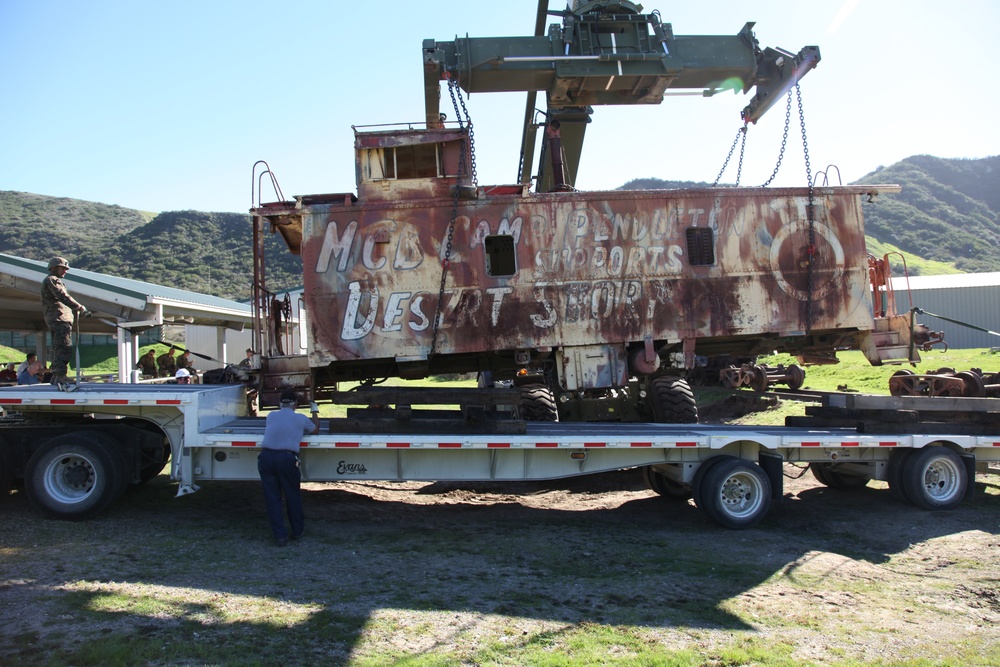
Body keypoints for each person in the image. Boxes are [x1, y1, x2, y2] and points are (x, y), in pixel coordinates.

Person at [257, 390, 319, 546]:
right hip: (286, 459)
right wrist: (315, 410)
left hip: (266, 458)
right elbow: (315, 429)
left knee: (273, 498)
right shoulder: (301, 418)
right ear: (295, 404)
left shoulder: (271, 416)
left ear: (280, 403)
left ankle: (280, 536)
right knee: (292, 496)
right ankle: (297, 531)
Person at [41, 256, 89, 386]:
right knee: (64, 346)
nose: (65, 271)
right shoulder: (52, 280)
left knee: (58, 347)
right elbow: (63, 296)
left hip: (59, 317)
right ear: (54, 267)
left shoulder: (52, 280)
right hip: (59, 318)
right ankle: (60, 375)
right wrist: (79, 307)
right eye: (63, 268)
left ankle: (56, 376)